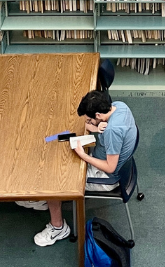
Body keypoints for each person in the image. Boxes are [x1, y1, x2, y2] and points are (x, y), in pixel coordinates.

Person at [18, 89, 138, 247]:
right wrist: (96, 128)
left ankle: (58, 227)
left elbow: (110, 167)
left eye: (89, 119)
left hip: (106, 177)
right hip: (108, 159)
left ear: (98, 115)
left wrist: (83, 155)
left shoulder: (112, 132)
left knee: (53, 180)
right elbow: (111, 128)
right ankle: (47, 201)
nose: (87, 123)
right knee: (61, 155)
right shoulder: (119, 106)